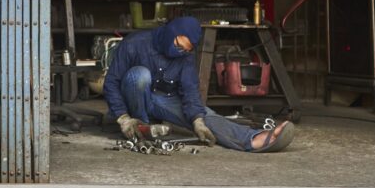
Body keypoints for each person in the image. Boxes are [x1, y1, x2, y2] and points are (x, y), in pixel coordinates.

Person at [103, 16, 295, 152]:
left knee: (204, 115)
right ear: (171, 33)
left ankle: (251, 139)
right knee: (140, 75)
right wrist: (122, 117)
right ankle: (139, 125)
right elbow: (111, 83)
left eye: (185, 50)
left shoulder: (185, 56)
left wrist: (197, 121)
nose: (179, 52)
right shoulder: (135, 43)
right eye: (178, 45)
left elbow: (189, 89)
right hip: (134, 98)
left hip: (163, 99)